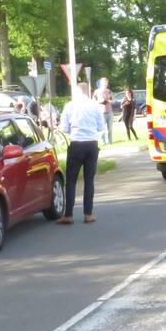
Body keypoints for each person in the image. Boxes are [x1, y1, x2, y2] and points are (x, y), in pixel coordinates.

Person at [57, 82, 106, 224]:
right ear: (88, 91)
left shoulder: (69, 106)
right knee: (89, 180)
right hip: (92, 145)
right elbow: (101, 126)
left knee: (71, 181)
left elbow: (64, 128)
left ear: (77, 92)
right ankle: (88, 214)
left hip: (76, 144)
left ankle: (69, 215)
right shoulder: (94, 106)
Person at [92, 77, 114, 145]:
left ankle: (110, 141)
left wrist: (109, 101)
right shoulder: (97, 91)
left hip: (109, 111)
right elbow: (93, 101)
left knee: (110, 128)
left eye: (106, 83)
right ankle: (103, 142)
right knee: (102, 128)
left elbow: (113, 100)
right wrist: (100, 101)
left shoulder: (109, 91)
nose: (105, 84)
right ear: (101, 83)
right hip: (101, 112)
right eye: (104, 83)